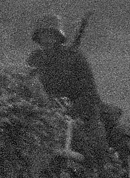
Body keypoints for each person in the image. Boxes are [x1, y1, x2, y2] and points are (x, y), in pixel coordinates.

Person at [26, 15, 109, 156]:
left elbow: (90, 94)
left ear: (58, 37)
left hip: (75, 116)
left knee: (93, 148)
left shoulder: (75, 58)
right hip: (43, 116)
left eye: (51, 35)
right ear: (38, 38)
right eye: (43, 35)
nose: (46, 39)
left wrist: (69, 112)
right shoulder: (34, 59)